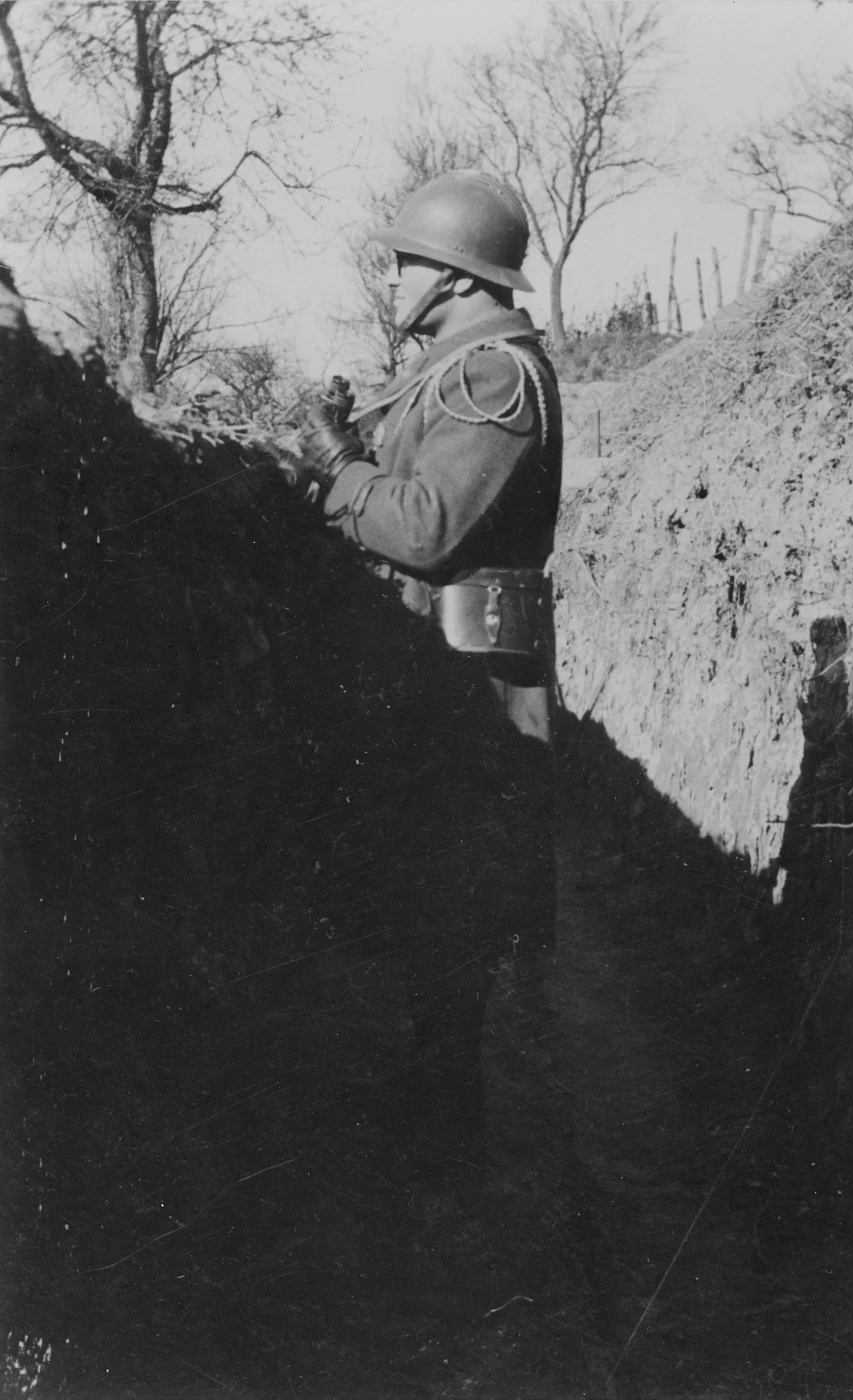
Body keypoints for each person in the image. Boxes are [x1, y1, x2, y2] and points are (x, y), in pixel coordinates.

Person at [277, 170, 563, 1171]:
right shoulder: (458, 369)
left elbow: (427, 526)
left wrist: (334, 471)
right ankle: (431, 1110)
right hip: (439, 669)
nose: (393, 279)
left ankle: (443, 1135)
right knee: (420, 892)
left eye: (405, 262)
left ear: (450, 272)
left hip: (466, 678)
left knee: (449, 901)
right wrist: (353, 445)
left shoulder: (491, 377)